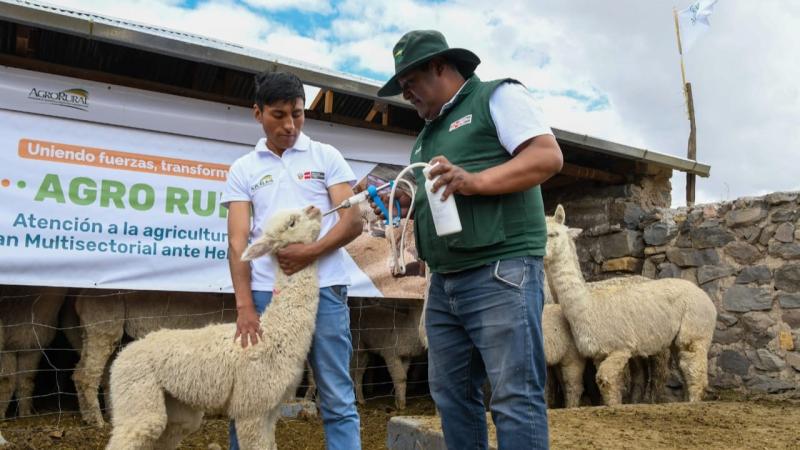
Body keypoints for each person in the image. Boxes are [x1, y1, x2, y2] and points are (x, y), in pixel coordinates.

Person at [376, 30, 563, 450]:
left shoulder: (496, 97)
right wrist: (406, 199)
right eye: (402, 87)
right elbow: (443, 194)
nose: (406, 94)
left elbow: (547, 156)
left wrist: (474, 181)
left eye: (411, 83)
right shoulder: (427, 134)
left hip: (501, 270)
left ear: (440, 66)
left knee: (514, 396)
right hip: (445, 281)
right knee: (451, 395)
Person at [222, 71, 362, 450]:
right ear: (258, 113)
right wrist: (245, 306)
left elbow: (352, 220)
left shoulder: (325, 156)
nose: (290, 125)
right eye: (279, 115)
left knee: (336, 393)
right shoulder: (244, 168)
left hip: (325, 288)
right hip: (266, 294)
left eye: (297, 114)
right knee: (252, 396)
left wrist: (310, 252)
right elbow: (237, 241)